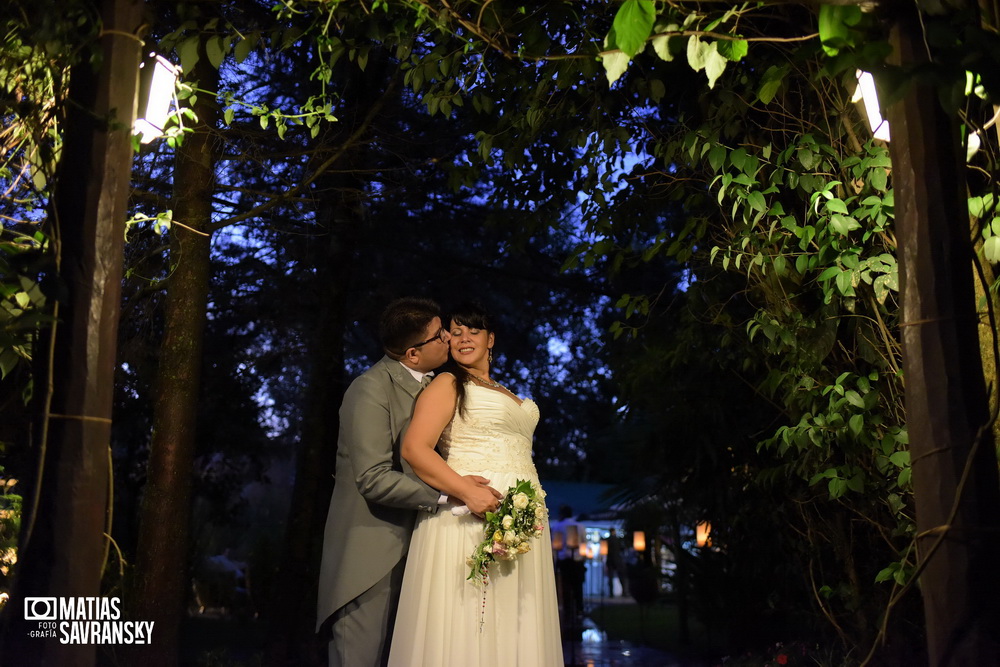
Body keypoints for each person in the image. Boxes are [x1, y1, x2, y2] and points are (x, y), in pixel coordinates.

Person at [316, 297, 501, 667]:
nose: (450, 337)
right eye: (440, 335)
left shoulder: (436, 385)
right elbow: (372, 478)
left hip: (423, 547)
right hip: (372, 557)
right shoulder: (369, 389)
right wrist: (450, 493)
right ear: (413, 355)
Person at [387, 302, 564, 666]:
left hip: (522, 521)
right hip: (469, 516)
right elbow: (415, 448)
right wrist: (466, 491)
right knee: (470, 618)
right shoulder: (449, 382)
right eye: (455, 332)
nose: (464, 338)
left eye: (474, 330)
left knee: (515, 615)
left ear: (491, 339)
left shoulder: (502, 388)